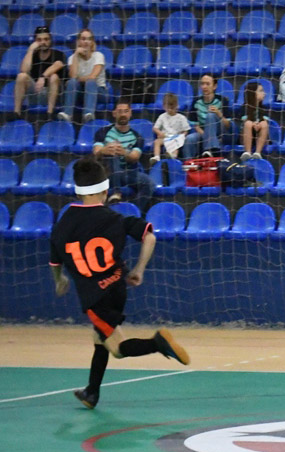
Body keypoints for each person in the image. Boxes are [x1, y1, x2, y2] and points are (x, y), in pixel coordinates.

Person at [49, 158, 190, 409]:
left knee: (117, 348)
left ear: (77, 191)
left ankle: (157, 343)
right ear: (105, 190)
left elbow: (55, 264)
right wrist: (138, 270)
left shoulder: (61, 227)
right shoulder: (115, 218)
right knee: (99, 337)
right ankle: (91, 392)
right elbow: (149, 237)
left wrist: (60, 281)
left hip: (95, 298)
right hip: (118, 286)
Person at [92, 97, 155, 212]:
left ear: (130, 113)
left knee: (149, 184)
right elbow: (96, 152)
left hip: (126, 172)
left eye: (126, 111)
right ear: (114, 113)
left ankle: (133, 211)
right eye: (120, 111)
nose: (123, 114)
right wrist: (105, 150)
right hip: (106, 173)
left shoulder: (137, 137)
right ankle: (116, 192)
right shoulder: (103, 132)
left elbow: (135, 157)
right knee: (112, 151)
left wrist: (124, 152)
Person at [13, 26, 65, 120]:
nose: (43, 42)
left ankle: (49, 114)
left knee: (54, 77)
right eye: (39, 40)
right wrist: (30, 50)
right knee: (21, 76)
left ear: (50, 40)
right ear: (35, 41)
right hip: (36, 92)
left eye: (46, 39)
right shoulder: (33, 56)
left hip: (52, 94)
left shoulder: (58, 54)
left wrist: (43, 76)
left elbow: (58, 64)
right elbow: (24, 70)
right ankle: (16, 113)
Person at [58, 28, 107, 123]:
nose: (86, 42)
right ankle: (68, 114)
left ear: (92, 42)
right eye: (83, 39)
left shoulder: (98, 55)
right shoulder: (72, 58)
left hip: (99, 91)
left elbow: (93, 77)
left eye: (89, 39)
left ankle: (88, 114)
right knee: (72, 82)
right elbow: (73, 76)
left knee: (90, 82)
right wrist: (76, 54)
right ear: (78, 41)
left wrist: (79, 79)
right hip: (80, 93)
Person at [183, 73, 233, 159]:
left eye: (207, 84)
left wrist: (218, 113)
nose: (204, 87)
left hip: (221, 132)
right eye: (202, 84)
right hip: (203, 132)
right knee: (189, 138)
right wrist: (207, 135)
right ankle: (189, 164)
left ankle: (211, 150)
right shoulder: (196, 101)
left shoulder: (223, 100)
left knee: (210, 115)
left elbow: (228, 125)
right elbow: (196, 125)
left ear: (214, 86)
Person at [150, 92, 191, 166]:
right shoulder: (162, 117)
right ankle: (156, 157)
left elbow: (186, 130)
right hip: (165, 137)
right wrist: (160, 133)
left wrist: (181, 136)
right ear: (164, 106)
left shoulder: (181, 117)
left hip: (175, 137)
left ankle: (173, 156)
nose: (170, 109)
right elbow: (155, 128)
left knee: (176, 144)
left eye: (172, 107)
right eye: (168, 107)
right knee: (157, 141)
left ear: (176, 106)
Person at [240, 81, 269, 162]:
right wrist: (253, 124)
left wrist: (259, 124)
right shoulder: (243, 108)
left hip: (259, 135)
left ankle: (257, 153)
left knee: (264, 124)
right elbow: (243, 121)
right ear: (253, 93)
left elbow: (266, 119)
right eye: (261, 91)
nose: (264, 93)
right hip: (245, 136)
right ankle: (247, 152)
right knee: (248, 124)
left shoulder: (264, 109)